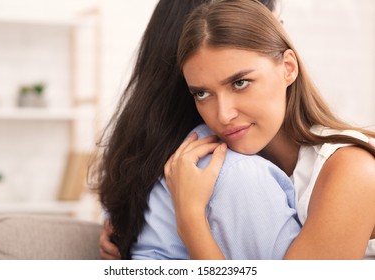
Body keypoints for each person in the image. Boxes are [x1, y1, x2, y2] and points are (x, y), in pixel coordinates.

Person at [164, 0, 375, 259]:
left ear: (288, 68)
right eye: (202, 93)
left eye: (240, 83)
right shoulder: (236, 166)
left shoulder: (353, 170)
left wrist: (190, 219)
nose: (223, 115)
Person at [95, 0, 302, 260]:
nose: (280, 31)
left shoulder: (143, 151)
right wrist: (189, 218)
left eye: (240, 83)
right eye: (202, 92)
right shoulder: (238, 173)